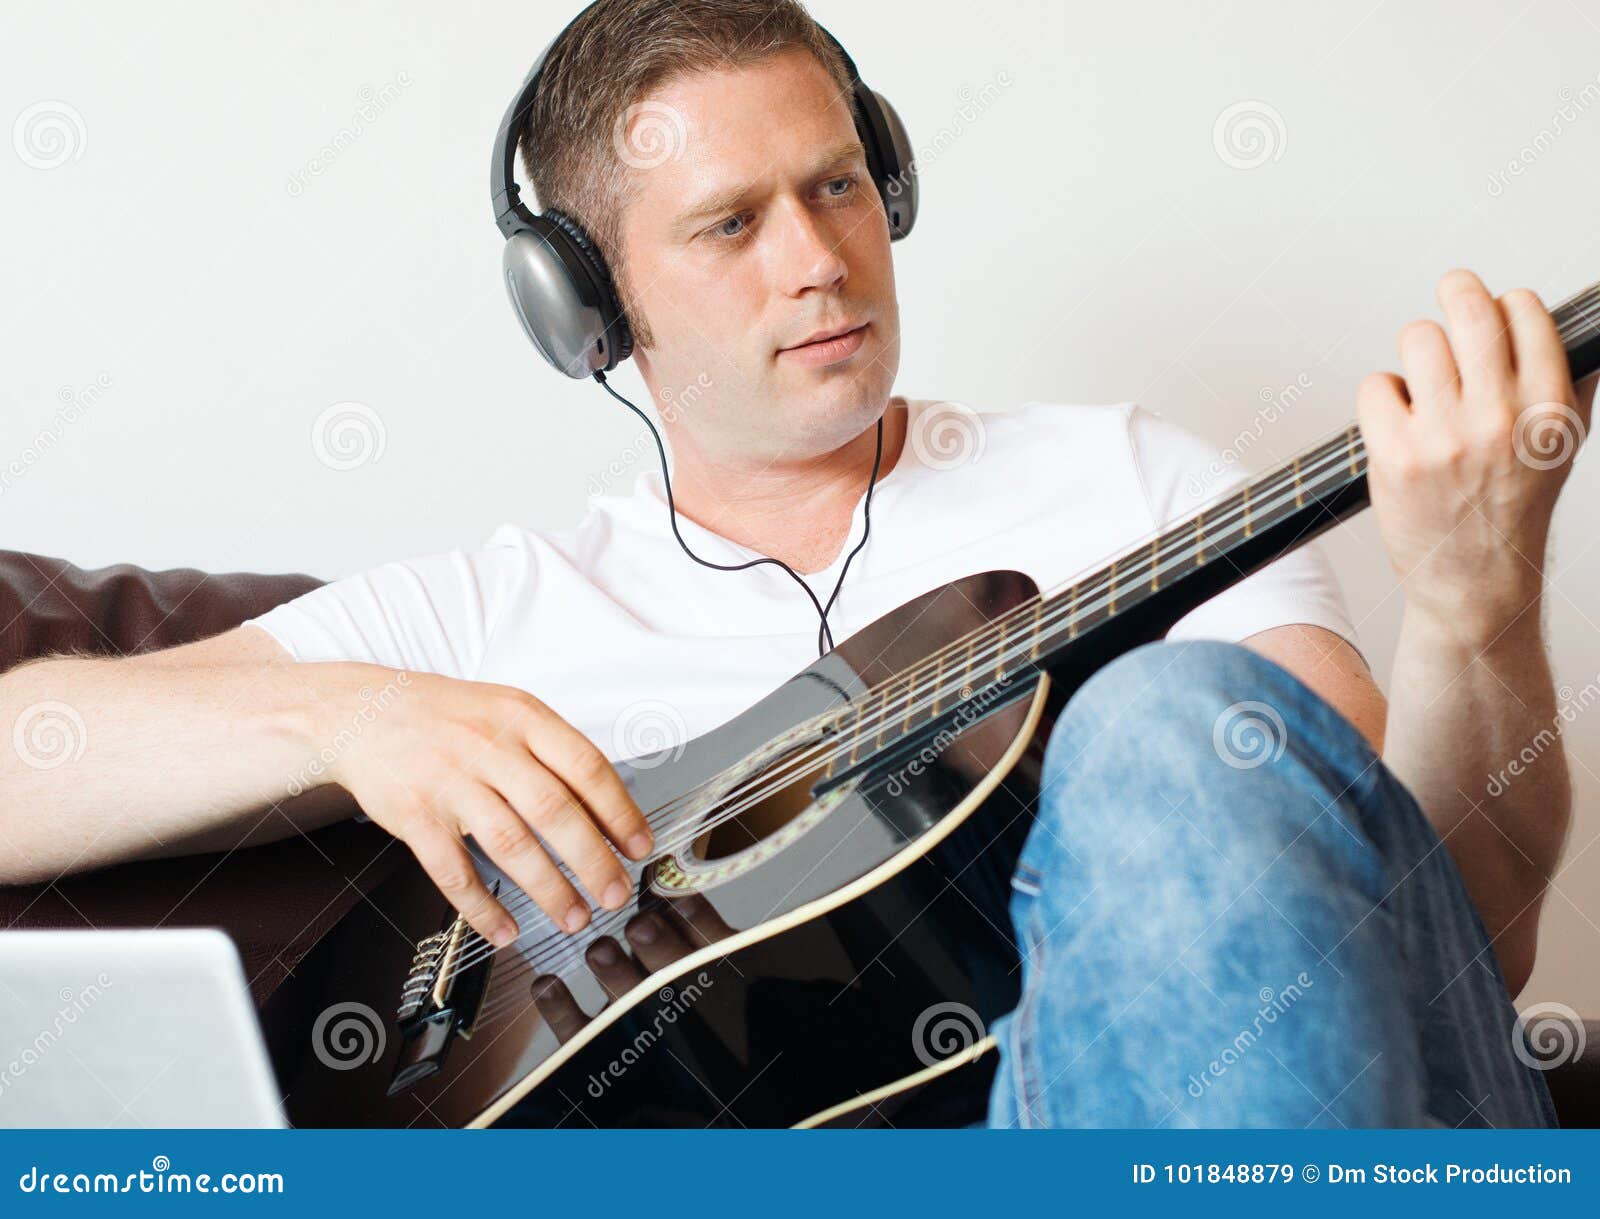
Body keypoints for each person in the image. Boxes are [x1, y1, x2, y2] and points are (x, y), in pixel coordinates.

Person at [0, 0, 1587, 1127]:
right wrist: (346, 717)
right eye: (730, 223)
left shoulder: (1134, 483)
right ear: (589, 309)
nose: (819, 258)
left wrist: (1473, 602)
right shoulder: (495, 612)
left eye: (837, 186)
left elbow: (1450, 938)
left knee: (1169, 721)